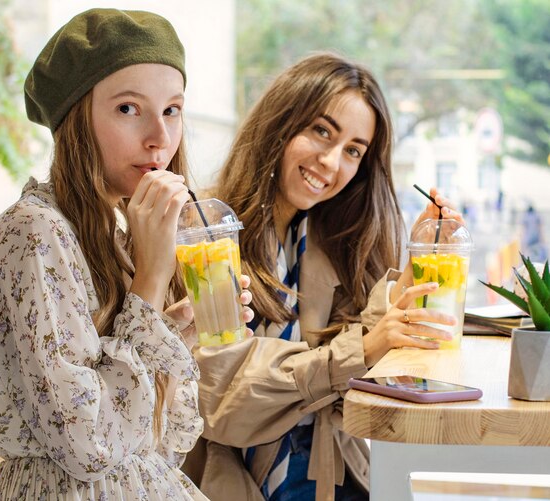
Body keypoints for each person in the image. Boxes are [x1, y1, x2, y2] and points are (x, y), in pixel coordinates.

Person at [0, 9, 252, 500]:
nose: (159, 138)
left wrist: (172, 334)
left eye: (172, 110)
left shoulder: (111, 237)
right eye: (128, 108)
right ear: (77, 119)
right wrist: (153, 277)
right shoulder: (35, 233)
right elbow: (87, 444)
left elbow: (163, 443)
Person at [182, 53, 463, 500]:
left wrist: (417, 266)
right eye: (321, 131)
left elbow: (362, 343)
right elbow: (223, 401)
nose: (332, 162)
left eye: (353, 150)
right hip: (232, 479)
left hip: (331, 470)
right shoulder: (206, 233)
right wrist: (362, 350)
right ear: (282, 121)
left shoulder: (327, 237)